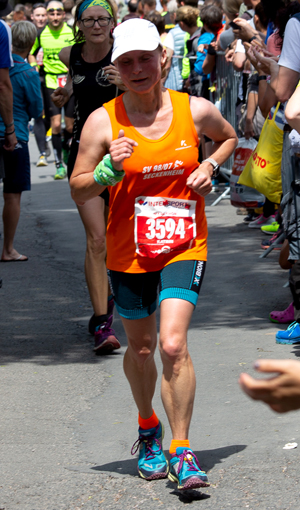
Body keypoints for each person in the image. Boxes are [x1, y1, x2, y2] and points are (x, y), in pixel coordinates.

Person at [70, 18, 237, 490]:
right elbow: (78, 188)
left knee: (172, 345)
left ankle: (182, 451)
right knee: (141, 349)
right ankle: (147, 427)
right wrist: (107, 169)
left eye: (146, 58)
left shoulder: (194, 110)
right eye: (128, 62)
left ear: (163, 59)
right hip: (129, 253)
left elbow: (227, 136)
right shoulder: (104, 121)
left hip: (185, 244)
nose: (139, 68)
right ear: (117, 70)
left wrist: (209, 164)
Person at [51, 0, 124, 353]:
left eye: (102, 19)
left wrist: (126, 83)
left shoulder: (125, 54)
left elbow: (152, 95)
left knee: (118, 237)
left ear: (113, 22)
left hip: (122, 154)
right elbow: (75, 93)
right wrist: (65, 94)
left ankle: (118, 302)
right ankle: (102, 323)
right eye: (89, 19)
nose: (96, 25)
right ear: (79, 24)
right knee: (97, 239)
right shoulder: (70, 54)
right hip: (84, 155)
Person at [0, 21, 43, 262]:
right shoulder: (28, 73)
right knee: (12, 194)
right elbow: (37, 109)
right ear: (31, 44)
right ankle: (8, 249)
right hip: (15, 135)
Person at [29, 1, 75, 179]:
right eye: (51, 13)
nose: (55, 17)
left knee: (70, 126)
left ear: (64, 14)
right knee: (56, 124)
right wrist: (33, 65)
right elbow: (31, 52)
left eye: (58, 13)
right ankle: (58, 165)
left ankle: (65, 148)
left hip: (69, 82)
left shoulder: (70, 32)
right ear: (47, 15)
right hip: (50, 82)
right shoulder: (41, 34)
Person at [30, 2, 52, 168]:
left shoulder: (52, 31)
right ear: (32, 17)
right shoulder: (30, 33)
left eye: (43, 15)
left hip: (51, 78)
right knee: (39, 114)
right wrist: (33, 66)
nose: (41, 18)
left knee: (52, 116)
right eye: (38, 15)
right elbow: (29, 53)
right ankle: (42, 152)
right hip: (36, 78)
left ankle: (50, 139)